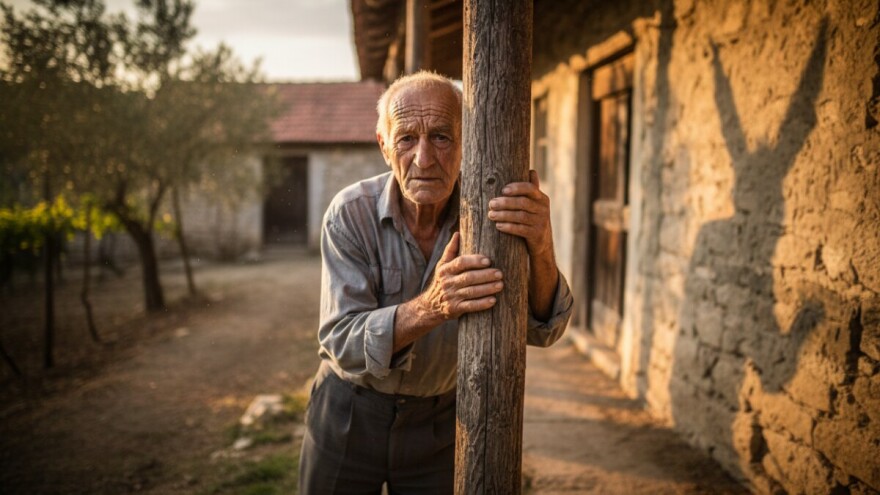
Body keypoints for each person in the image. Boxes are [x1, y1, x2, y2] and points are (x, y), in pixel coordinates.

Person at [299, 71, 573, 494]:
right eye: (407, 138)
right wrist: (432, 307)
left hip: (442, 423)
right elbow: (341, 341)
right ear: (384, 145)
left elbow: (545, 329)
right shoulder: (349, 214)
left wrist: (540, 246)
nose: (424, 159)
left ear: (466, 142)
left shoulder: (489, 217)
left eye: (442, 137)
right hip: (349, 414)